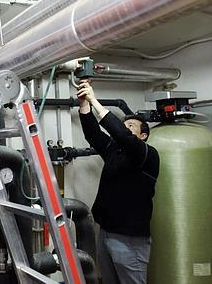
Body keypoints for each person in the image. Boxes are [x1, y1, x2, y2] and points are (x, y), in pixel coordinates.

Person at [77, 80, 159, 284]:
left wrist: (95, 101)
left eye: (131, 126)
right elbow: (94, 135)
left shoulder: (147, 155)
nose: (124, 128)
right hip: (106, 232)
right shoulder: (116, 151)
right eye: (124, 125)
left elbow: (122, 136)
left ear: (144, 135)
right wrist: (84, 104)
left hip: (129, 239)